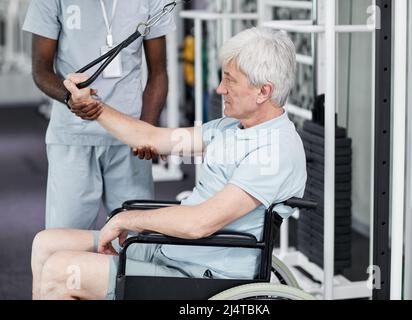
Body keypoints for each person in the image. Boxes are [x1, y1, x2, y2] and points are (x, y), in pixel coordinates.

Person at [31, 27, 307, 300]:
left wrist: (125, 220)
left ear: (263, 91)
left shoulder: (275, 150)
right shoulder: (231, 128)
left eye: (230, 80)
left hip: (199, 273)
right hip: (172, 249)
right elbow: (152, 137)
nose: (220, 88)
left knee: (60, 271)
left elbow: (200, 223)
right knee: (47, 244)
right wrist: (93, 107)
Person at [22, 0, 175, 229]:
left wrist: (147, 131)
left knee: (136, 238)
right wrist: (69, 96)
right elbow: (41, 68)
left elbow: (158, 73)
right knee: (67, 239)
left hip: (128, 137)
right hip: (73, 137)